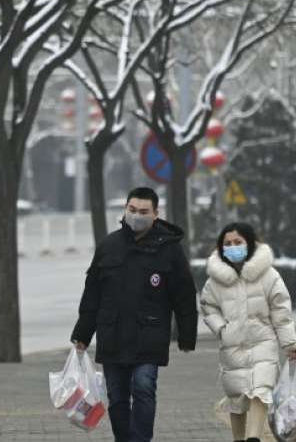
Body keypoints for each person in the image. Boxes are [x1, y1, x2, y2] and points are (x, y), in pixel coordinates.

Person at [70, 187, 198, 442]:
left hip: (149, 335)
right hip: (113, 334)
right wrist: (83, 334)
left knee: (143, 387)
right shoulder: (109, 245)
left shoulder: (169, 249)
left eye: (143, 211)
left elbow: (184, 295)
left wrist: (186, 336)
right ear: (125, 209)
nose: (137, 215)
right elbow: (92, 294)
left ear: (155, 214)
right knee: (116, 398)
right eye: (132, 210)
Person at [199, 222, 296, 442]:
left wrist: (290, 343)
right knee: (237, 399)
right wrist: (221, 328)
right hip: (232, 346)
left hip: (263, 341)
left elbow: (280, 309)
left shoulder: (268, 275)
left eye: (238, 242)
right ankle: (239, 438)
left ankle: (253, 437)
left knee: (261, 390)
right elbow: (208, 306)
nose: (233, 247)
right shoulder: (215, 280)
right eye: (227, 244)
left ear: (250, 244)